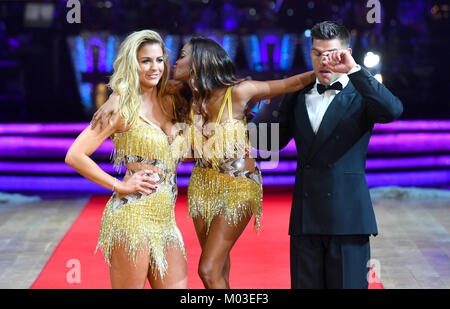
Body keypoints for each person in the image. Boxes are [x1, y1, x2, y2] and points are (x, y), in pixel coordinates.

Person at [92, 36, 315, 289]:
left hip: (238, 187)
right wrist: (115, 97)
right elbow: (136, 89)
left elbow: (290, 83)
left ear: (199, 61)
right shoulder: (181, 95)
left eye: (183, 55)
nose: (174, 61)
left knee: (208, 269)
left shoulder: (240, 92)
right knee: (218, 269)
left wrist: (323, 69)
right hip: (202, 186)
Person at [269, 21, 403, 289]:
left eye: (331, 53)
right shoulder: (298, 93)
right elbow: (275, 141)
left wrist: (354, 70)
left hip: (348, 218)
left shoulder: (361, 92)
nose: (324, 61)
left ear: (347, 52)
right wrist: (239, 117)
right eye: (317, 53)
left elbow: (392, 110)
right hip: (306, 219)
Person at [65, 30, 190, 289]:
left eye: (159, 59)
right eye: (146, 60)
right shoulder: (121, 108)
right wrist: (119, 185)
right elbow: (75, 155)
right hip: (132, 218)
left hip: (166, 221)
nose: (154, 67)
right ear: (132, 63)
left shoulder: (171, 100)